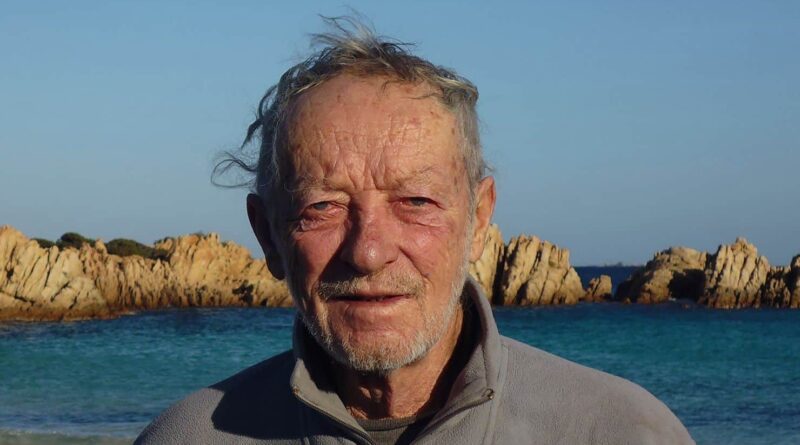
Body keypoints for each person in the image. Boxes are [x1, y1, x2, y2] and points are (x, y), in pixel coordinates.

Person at [136, 17, 694, 445]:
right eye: (324, 206)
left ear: (478, 220)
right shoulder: (186, 438)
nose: (369, 251)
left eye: (415, 202)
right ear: (268, 235)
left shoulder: (621, 431)